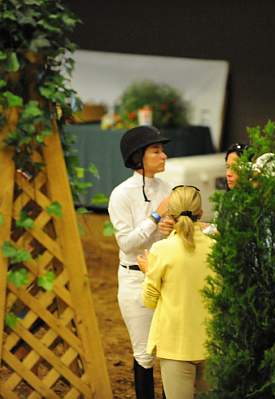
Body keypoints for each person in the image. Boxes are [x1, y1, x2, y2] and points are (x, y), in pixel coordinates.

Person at [108, 125, 173, 399]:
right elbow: (127, 243)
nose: (164, 155)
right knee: (145, 353)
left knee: (171, 349)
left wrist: (176, 225)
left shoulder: (166, 188)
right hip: (136, 280)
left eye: (162, 150)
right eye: (156, 151)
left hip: (169, 277)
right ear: (138, 157)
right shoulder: (121, 195)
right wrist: (157, 218)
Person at [137, 185, 214, 399]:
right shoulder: (218, 248)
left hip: (174, 345)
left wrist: (148, 271)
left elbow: (149, 300)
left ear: (170, 215)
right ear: (200, 213)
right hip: (212, 343)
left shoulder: (161, 250)